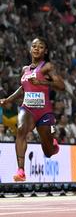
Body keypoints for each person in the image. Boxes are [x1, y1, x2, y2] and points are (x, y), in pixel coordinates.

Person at [0, 37, 65, 181]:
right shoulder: (25, 69)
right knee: (21, 129)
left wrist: (41, 81)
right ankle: (21, 170)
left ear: (45, 51)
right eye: (34, 46)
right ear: (30, 49)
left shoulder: (47, 67)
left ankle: (53, 144)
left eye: (40, 47)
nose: (36, 48)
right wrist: (8, 99)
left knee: (48, 152)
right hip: (27, 108)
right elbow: (23, 88)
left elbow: (62, 86)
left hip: (44, 111)